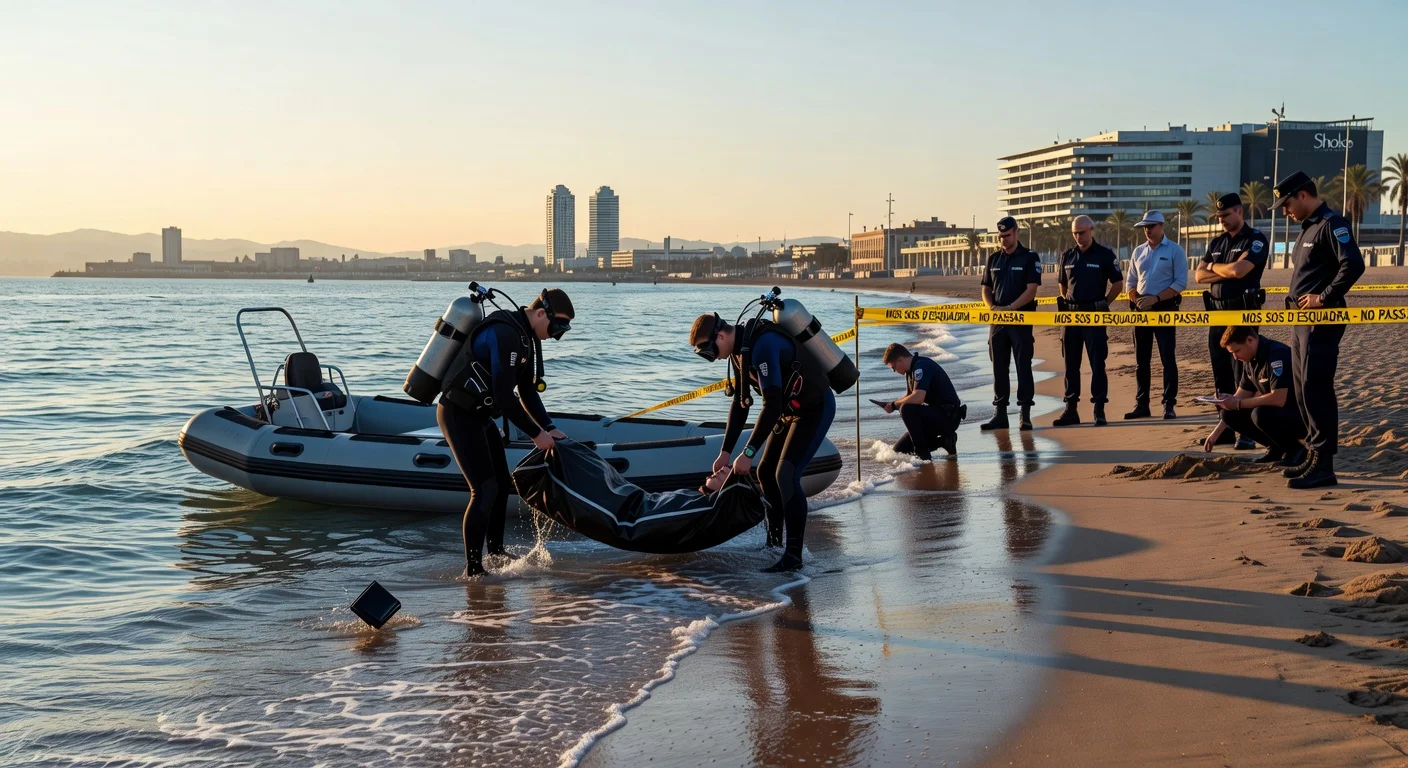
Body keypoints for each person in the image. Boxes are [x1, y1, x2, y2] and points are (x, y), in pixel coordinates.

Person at [438, 288, 575, 577]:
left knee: (500, 485)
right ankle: (473, 570)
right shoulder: (506, 334)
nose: (557, 334)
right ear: (541, 313)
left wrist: (548, 426)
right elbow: (503, 395)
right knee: (483, 489)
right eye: (557, 326)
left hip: (480, 416)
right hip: (458, 414)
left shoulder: (525, 338)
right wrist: (536, 435)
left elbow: (526, 391)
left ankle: (496, 554)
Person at [691, 311, 837, 572]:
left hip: (815, 408)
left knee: (786, 474)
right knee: (767, 473)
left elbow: (771, 406)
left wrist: (747, 452)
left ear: (721, 336)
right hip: (789, 411)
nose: (713, 358)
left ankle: (793, 557)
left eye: (710, 352)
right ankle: (774, 544)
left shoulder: (762, 346)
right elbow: (740, 403)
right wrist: (725, 452)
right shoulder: (739, 352)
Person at [1274, 170, 1365, 489]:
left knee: (1316, 389)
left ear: (1302, 195)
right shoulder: (1307, 229)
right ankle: (1313, 456)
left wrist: (1324, 298)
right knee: (1302, 391)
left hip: (1321, 322)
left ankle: (1324, 465)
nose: (1285, 211)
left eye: (1286, 204)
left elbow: (1353, 264)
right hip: (1301, 324)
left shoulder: (1332, 224)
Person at [1195, 193, 1270, 451]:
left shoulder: (1256, 239)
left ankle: (1246, 432)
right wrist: (1222, 268)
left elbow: (1241, 271)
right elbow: (1198, 275)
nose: (1222, 220)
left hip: (1242, 314)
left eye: (1226, 215)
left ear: (1239, 211)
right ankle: (1226, 427)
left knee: (1243, 376)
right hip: (1217, 314)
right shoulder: (1217, 242)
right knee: (1221, 374)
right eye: (1219, 217)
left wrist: (1214, 267)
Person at [1053, 215, 1124, 427]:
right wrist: (1067, 300)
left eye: (1081, 232)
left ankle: (1099, 409)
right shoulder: (1067, 255)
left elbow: (1118, 284)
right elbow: (1063, 285)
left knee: (1097, 364)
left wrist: (1105, 303)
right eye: (1075, 233)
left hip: (1094, 315)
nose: (1078, 236)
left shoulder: (1105, 255)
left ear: (1091, 230)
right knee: (1070, 365)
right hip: (1072, 317)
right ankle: (1071, 409)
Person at [1201, 326, 1306, 467]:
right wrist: (1215, 434)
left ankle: (1296, 450)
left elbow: (1278, 398)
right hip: (1281, 414)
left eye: (1237, 351)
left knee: (1260, 413)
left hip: (1302, 415)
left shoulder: (1276, 355)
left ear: (1250, 340)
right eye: (1232, 353)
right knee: (1229, 414)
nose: (1235, 357)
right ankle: (1276, 448)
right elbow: (1239, 397)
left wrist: (1238, 403)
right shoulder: (1250, 360)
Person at [980, 216, 1042, 431]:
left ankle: (1025, 414)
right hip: (997, 322)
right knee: (999, 367)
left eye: (1007, 236)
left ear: (1016, 232)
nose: (1003, 240)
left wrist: (1011, 308)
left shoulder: (1029, 257)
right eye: (1000, 237)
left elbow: (1031, 290)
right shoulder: (994, 259)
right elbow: (986, 288)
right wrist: (991, 307)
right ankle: (1000, 413)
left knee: (1023, 366)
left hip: (1021, 321)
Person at [1124, 210, 1187, 420]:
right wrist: (1136, 298)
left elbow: (1180, 283)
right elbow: (1130, 282)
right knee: (1141, 360)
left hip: (1165, 308)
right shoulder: (1138, 252)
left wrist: (1157, 299)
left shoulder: (1175, 250)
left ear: (1161, 226)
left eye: (1151, 226)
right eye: (1145, 227)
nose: (1147, 230)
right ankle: (1142, 404)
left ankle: (1169, 404)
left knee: (1167, 358)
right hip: (1141, 310)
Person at [880, 343, 963, 459]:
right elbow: (910, 397)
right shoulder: (910, 371)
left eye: (893, 367)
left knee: (906, 409)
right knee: (898, 451)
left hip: (948, 417)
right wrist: (890, 405)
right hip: (934, 415)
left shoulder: (921, 367)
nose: (894, 371)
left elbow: (918, 398)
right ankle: (945, 442)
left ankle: (923, 455)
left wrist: (894, 405)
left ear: (900, 360)